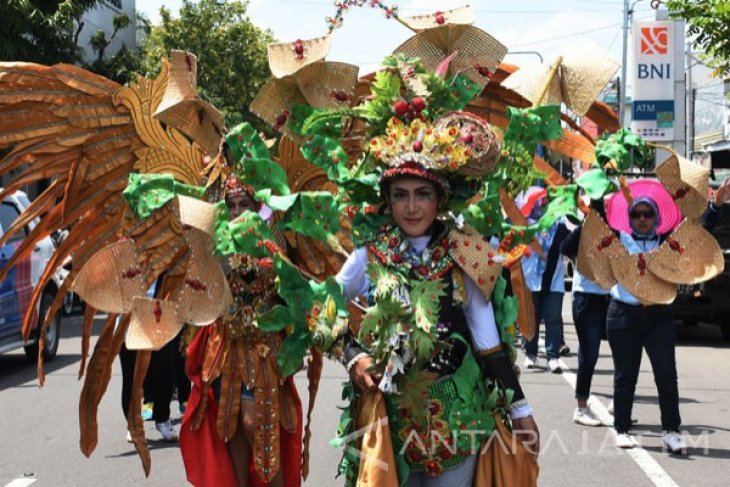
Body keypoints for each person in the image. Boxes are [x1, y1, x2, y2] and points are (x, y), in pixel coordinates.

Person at [336, 159, 540, 485]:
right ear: (388, 200)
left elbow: (488, 344)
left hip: (457, 421)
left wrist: (520, 410)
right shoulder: (369, 255)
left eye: (423, 194)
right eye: (401, 195)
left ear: (440, 199)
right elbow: (322, 307)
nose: (412, 206)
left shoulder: (464, 253)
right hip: (389, 422)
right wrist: (353, 356)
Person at [179, 173, 302, 487]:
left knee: (258, 428)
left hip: (263, 351)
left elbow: (292, 288)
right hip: (225, 350)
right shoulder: (219, 244)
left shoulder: (273, 238)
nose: (236, 212)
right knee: (229, 428)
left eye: (243, 204)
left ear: (256, 205)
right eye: (231, 205)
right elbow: (202, 293)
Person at [599, 181, 686, 452]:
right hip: (623, 315)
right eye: (637, 214)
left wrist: (717, 205)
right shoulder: (618, 240)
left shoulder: (667, 241)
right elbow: (592, 229)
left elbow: (696, 231)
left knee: (666, 375)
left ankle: (671, 430)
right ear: (629, 218)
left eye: (648, 214)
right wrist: (597, 192)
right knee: (626, 375)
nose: (643, 219)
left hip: (659, 314)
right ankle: (622, 428)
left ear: (656, 217)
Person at [560, 217, 610, 427]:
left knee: (625, 353)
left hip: (612, 297)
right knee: (589, 354)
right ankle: (581, 407)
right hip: (586, 298)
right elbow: (565, 247)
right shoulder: (584, 229)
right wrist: (586, 226)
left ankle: (620, 404)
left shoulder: (618, 229)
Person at [518, 187, 570, 373]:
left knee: (553, 318)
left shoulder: (558, 224)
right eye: (539, 201)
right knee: (531, 318)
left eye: (546, 201)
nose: (543, 204)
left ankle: (553, 356)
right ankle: (530, 353)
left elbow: (571, 243)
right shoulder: (523, 226)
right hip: (530, 280)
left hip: (553, 281)